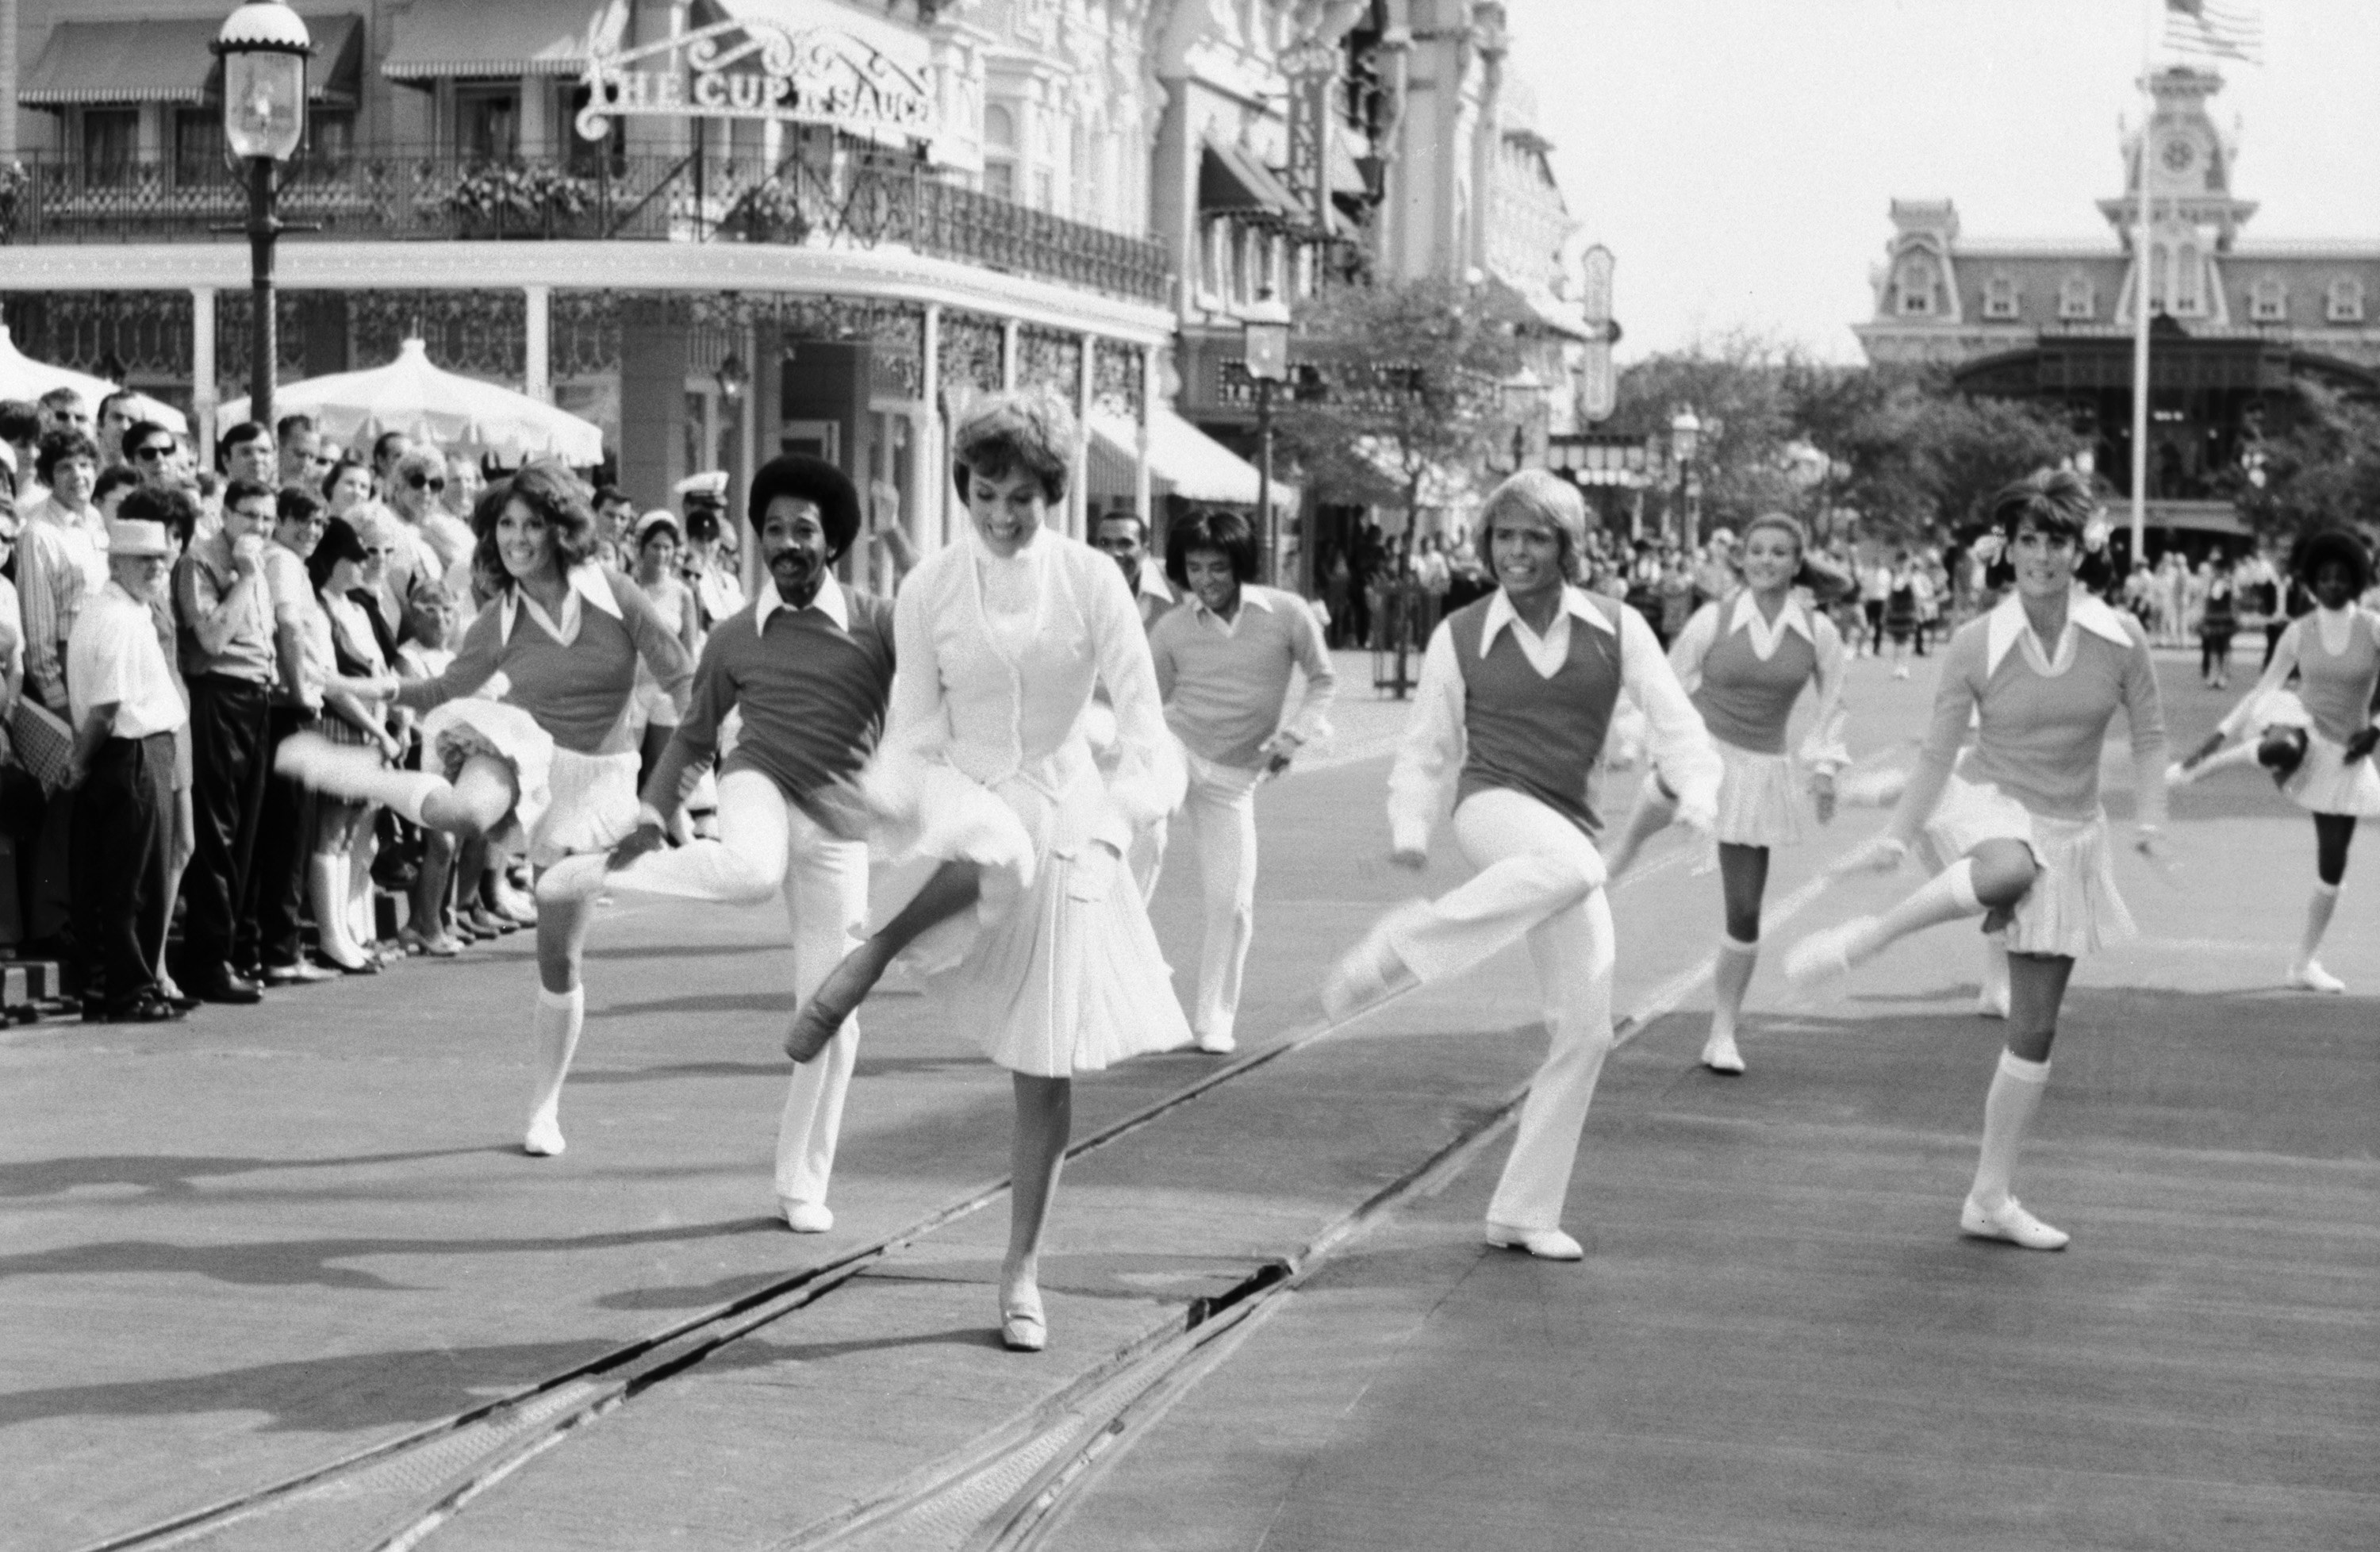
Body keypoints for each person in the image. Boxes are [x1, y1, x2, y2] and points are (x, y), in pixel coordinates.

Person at [780, 391, 1191, 1350]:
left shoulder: (1094, 581)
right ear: (962, 489)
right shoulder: (928, 588)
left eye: (1022, 499)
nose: (1003, 517)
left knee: (1042, 1067)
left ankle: (1020, 1270)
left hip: (1068, 808)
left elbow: (1145, 733)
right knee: (995, 836)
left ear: (1054, 494)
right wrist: (903, 800)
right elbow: (915, 733)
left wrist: (1125, 812)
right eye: (985, 495)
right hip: (964, 798)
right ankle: (873, 953)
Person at [1320, 471, 1722, 1262]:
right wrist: (1410, 825)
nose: (1516, 552)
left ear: (1566, 548)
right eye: (1504, 536)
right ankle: (1407, 945)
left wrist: (1701, 794)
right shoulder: (1460, 633)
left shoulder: (1617, 626)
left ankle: (1522, 1212)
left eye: (1535, 537)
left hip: (1569, 828)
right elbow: (1428, 745)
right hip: (1492, 808)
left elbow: (1677, 723)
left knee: (1586, 1028)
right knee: (1582, 870)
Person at [1783, 471, 2168, 1251]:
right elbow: (1933, 756)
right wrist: (1898, 833)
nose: (2043, 557)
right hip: (1990, 806)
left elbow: (2153, 739)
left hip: (2075, 833)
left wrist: (2151, 818)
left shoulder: (2120, 638)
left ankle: (1989, 1197)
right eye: (2029, 540)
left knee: (2034, 1031)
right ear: (2008, 549)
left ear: (2081, 549)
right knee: (2007, 869)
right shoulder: (1974, 644)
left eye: (2056, 541)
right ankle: (1869, 937)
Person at [274, 463, 694, 1156]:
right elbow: (442, 688)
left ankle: (545, 1108)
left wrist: (686, 772)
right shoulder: (500, 618)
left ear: (561, 530)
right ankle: (367, 778)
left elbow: (680, 674)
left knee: (561, 960)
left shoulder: (614, 594)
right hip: (521, 744)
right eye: (505, 525)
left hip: (597, 781)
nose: (517, 539)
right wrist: (352, 683)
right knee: (465, 816)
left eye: (532, 524)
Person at [568, 455, 896, 1233]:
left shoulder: (880, 625)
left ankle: (800, 1183)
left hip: (841, 822)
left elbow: (935, 697)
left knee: (834, 1016)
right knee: (750, 871)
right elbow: (691, 740)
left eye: (804, 530)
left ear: (833, 541)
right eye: (774, 529)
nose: (788, 543)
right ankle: (614, 871)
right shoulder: (736, 637)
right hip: (762, 782)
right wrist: (653, 812)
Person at [1607, 513, 1848, 1074]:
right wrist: (1647, 739)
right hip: (1703, 746)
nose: (1766, 561)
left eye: (1779, 552)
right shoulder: (1712, 620)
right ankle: (1625, 847)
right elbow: (1666, 682)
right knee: (1675, 782)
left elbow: (1833, 704)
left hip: (1760, 769)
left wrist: (1825, 769)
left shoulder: (1819, 632)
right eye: (1757, 551)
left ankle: (1722, 1031)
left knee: (1744, 909)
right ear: (1742, 558)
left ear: (1797, 563)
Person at [1147, 506, 1338, 1055]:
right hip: (1176, 747)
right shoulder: (1172, 628)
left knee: (1232, 903)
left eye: (1218, 568)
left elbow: (1324, 680)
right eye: (1195, 569)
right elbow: (1147, 702)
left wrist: (1295, 736)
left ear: (1241, 565)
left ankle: (1213, 1020)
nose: (1206, 581)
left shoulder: (1287, 613)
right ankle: (1124, 943)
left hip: (1235, 777)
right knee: (1145, 817)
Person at [2172, 528, 2379, 993]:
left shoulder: (2372, 626)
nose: (2332, 585)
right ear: (2311, 582)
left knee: (2333, 863)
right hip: (2300, 725)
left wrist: (2377, 728)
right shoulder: (2297, 632)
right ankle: (2205, 765)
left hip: (2345, 752)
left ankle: (2304, 964)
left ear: (2357, 580)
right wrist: (2214, 737)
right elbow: (2263, 690)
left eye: (2341, 577)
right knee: (2280, 747)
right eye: (2323, 578)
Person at [63, 517, 188, 1022]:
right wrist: (79, 760)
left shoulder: (118, 610)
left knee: (115, 879)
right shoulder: (117, 617)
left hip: (129, 751)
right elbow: (107, 704)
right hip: (131, 751)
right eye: (143, 559)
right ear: (115, 563)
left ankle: (109, 987)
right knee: (136, 882)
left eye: (159, 558)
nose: (155, 568)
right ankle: (129, 989)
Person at [172, 475, 283, 1004]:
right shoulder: (204, 560)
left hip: (256, 698)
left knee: (249, 833)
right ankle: (208, 961)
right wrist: (244, 577)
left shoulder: (257, 562)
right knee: (216, 833)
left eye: (266, 518)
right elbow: (212, 638)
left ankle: (235, 948)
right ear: (226, 515)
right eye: (248, 517)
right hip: (218, 694)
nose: (258, 528)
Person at [625, 512, 703, 801]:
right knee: (627, 765)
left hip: (666, 692)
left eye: (668, 547)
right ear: (643, 548)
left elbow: (688, 650)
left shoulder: (682, 593)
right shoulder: (629, 588)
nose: (661, 553)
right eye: (655, 546)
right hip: (632, 690)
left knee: (660, 767)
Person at [1093, 510, 1173, 629]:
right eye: (1105, 543)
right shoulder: (1083, 589)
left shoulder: (1176, 582)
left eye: (1125, 544)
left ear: (1145, 550)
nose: (1114, 553)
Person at [2198, 560, 2238, 689]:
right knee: (2214, 647)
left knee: (2224, 647)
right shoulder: (2211, 582)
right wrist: (2204, 617)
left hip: (2225, 617)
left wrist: (2235, 616)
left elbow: (2234, 599)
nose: (2219, 572)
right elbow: (2207, 600)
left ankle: (2222, 676)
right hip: (2213, 618)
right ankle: (2214, 675)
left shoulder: (2229, 582)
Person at [218, 421, 277, 490]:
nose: (257, 459)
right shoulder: (215, 499)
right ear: (226, 461)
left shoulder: (286, 499)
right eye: (246, 452)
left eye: (263, 451)